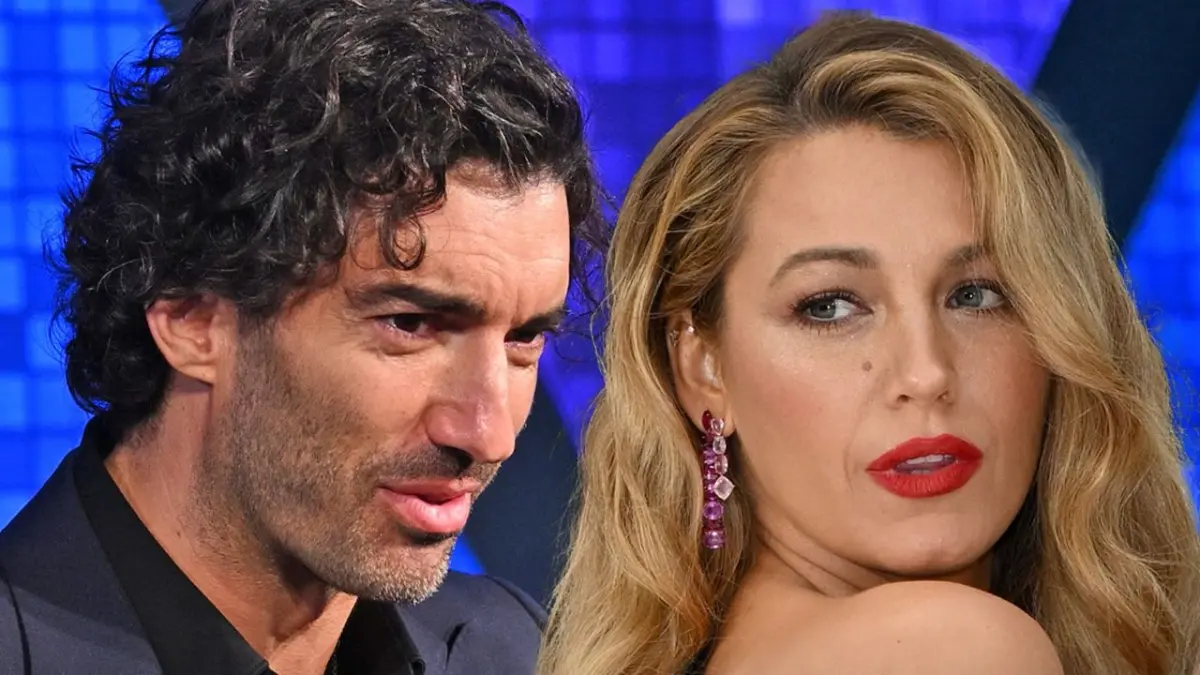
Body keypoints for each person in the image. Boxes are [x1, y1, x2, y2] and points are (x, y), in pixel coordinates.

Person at [537, 12, 1200, 675]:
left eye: (976, 294)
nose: (926, 371)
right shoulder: (956, 649)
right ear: (702, 369)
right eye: (829, 306)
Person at [0, 0, 603, 673]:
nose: (488, 435)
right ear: (191, 315)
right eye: (410, 324)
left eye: (524, 338)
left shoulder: (519, 649)